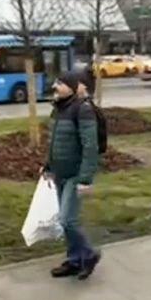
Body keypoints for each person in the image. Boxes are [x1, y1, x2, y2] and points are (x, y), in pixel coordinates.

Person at [42, 71, 100, 281]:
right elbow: (54, 142)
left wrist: (85, 178)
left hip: (75, 174)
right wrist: (48, 166)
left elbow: (90, 146)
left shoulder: (83, 110)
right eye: (56, 82)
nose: (55, 86)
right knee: (65, 220)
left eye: (61, 83)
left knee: (68, 220)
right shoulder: (58, 108)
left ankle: (89, 255)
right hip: (60, 173)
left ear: (73, 87)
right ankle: (75, 260)